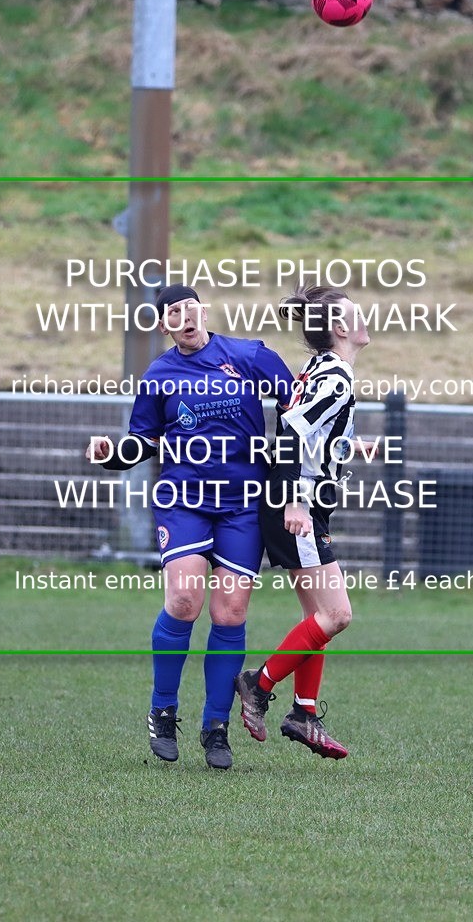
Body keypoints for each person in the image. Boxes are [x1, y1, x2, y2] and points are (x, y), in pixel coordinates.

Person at [87, 284, 293, 770]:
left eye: (188, 308)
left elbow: (298, 407)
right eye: (172, 313)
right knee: (183, 600)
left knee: (229, 613)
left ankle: (216, 726)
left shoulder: (249, 356)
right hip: (184, 501)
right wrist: (111, 454)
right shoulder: (159, 375)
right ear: (164, 326)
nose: (183, 317)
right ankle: (162, 710)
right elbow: (142, 440)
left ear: (203, 311)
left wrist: (293, 465)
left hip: (243, 505)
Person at [235, 284, 373, 760]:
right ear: (339, 328)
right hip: (299, 505)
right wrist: (295, 501)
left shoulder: (322, 368)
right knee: (337, 615)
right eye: (356, 313)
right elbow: (293, 432)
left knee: (317, 617)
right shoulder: (336, 377)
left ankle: (304, 713)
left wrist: (348, 445)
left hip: (299, 500)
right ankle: (259, 684)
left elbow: (305, 425)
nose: (364, 318)